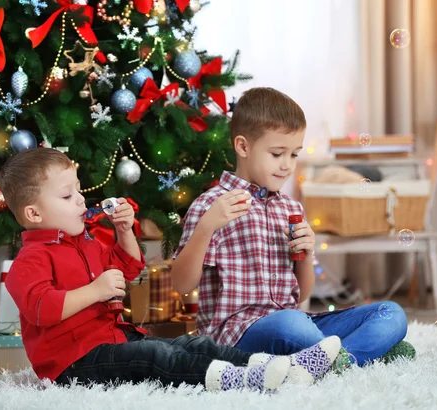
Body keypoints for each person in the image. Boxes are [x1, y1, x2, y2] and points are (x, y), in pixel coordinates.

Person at [0, 147, 342, 391]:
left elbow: (130, 268)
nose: (80, 200)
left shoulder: (86, 242)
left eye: (78, 191)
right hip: (72, 363)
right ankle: (233, 379)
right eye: (66, 196)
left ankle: (269, 367)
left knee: (192, 344)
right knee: (155, 356)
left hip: (113, 339)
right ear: (34, 214)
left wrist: (123, 232)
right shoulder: (30, 261)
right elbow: (41, 309)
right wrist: (96, 291)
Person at [172, 87, 415, 370]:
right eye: (277, 154)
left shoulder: (291, 208)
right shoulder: (211, 206)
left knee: (391, 313)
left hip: (297, 320)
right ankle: (357, 354)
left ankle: (337, 362)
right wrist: (206, 228)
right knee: (292, 325)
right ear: (243, 146)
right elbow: (181, 285)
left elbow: (300, 295)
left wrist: (306, 253)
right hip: (238, 335)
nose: (287, 166)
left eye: (294, 154)